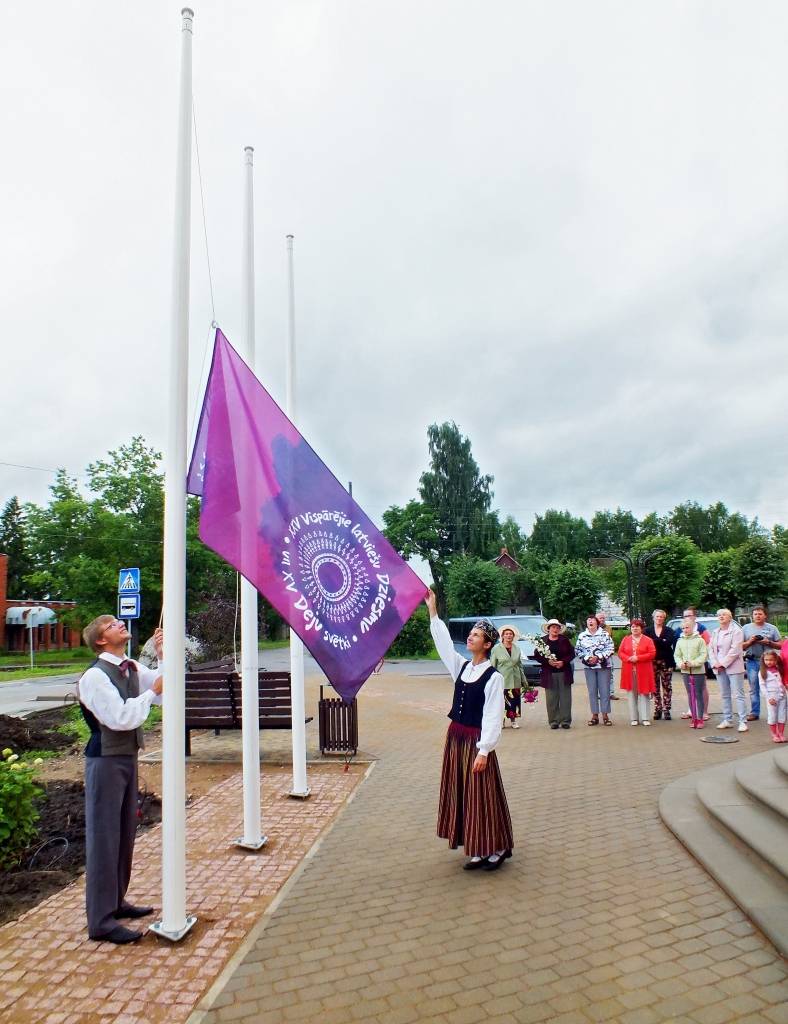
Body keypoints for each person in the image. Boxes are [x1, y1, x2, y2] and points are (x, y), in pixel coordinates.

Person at [77, 615, 163, 943]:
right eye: (111, 624)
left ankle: (116, 901)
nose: (119, 624)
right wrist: (149, 693)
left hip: (127, 757)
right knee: (104, 837)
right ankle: (100, 921)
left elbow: (164, 688)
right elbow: (120, 717)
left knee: (125, 832)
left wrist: (162, 653)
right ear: (100, 640)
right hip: (105, 761)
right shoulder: (95, 677)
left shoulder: (129, 667)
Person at [425, 590, 513, 871]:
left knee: (482, 795)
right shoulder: (462, 667)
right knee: (463, 793)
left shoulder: (493, 677)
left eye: (476, 635)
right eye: (471, 634)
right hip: (456, 737)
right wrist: (433, 612)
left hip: (475, 740)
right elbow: (443, 646)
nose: (471, 638)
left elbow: (492, 715)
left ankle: (496, 847)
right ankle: (476, 848)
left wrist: (484, 749)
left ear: (487, 644)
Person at [708, 609, 747, 733]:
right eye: (719, 615)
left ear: (730, 617)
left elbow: (735, 650)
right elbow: (711, 649)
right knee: (725, 694)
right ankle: (727, 719)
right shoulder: (715, 632)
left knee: (739, 695)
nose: (721, 617)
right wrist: (714, 663)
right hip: (718, 667)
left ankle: (742, 721)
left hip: (734, 667)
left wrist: (723, 663)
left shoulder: (736, 631)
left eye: (723, 615)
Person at [532, 618, 575, 729]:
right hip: (549, 673)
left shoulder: (564, 640)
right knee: (551, 698)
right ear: (548, 629)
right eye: (553, 627)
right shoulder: (542, 641)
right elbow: (537, 655)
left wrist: (563, 662)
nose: (555, 629)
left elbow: (571, 654)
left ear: (560, 629)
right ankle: (553, 721)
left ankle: (565, 720)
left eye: (557, 627)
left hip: (564, 672)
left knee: (565, 698)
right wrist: (548, 661)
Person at [742, 606, 781, 722]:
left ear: (765, 615)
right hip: (752, 661)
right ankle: (754, 712)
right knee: (754, 688)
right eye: (755, 614)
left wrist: (768, 642)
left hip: (769, 663)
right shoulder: (746, 628)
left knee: (773, 686)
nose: (757, 616)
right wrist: (750, 641)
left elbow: (780, 645)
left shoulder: (772, 628)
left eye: (760, 614)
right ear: (752, 616)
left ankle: (776, 710)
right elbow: (740, 646)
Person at [575, 615, 615, 726]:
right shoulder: (582, 636)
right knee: (592, 691)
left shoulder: (604, 634)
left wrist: (599, 657)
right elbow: (578, 651)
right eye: (588, 621)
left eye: (592, 620)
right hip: (589, 667)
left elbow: (611, 648)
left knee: (605, 691)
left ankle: (605, 715)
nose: (590, 622)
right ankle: (594, 715)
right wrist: (588, 658)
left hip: (603, 666)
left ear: (597, 623)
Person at [617, 619, 656, 726]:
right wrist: (628, 658)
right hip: (629, 671)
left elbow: (652, 653)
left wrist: (638, 658)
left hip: (644, 671)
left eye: (637, 627)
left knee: (644, 694)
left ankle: (645, 718)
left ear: (641, 628)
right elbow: (620, 653)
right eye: (633, 627)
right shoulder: (626, 639)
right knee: (631, 695)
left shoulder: (648, 640)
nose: (634, 628)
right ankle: (634, 718)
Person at [675, 617, 709, 729]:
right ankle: (693, 717)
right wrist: (681, 664)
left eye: (687, 627)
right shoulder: (680, 641)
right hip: (685, 671)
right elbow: (677, 655)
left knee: (698, 694)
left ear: (693, 627)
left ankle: (700, 718)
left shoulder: (700, 640)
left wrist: (693, 663)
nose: (685, 630)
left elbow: (704, 655)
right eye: (683, 628)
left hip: (698, 671)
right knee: (690, 694)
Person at [490, 625, 525, 729]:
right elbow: (493, 665)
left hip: (515, 679)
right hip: (503, 679)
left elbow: (519, 664)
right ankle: (502, 721)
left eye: (511, 634)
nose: (509, 636)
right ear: (502, 636)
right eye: (506, 634)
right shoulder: (496, 649)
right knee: (502, 701)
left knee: (514, 701)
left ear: (513, 636)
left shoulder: (517, 648)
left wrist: (524, 679)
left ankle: (513, 720)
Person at [644, 609, 676, 721]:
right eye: (657, 616)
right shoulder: (647, 630)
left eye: (661, 617)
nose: (659, 619)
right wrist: (661, 640)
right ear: (653, 617)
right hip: (652, 662)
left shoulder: (669, 630)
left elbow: (668, 643)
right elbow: (646, 644)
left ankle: (667, 709)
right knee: (655, 686)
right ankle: (658, 708)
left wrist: (656, 641)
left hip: (666, 661)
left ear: (664, 618)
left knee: (667, 685)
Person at [759, 651, 787, 743]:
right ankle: (774, 734)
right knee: (772, 715)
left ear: (776, 660)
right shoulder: (762, 672)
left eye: (771, 660)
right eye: (766, 660)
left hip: (782, 696)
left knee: (782, 715)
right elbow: (762, 686)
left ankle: (781, 733)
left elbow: (782, 681)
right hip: (772, 697)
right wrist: (768, 697)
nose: (768, 662)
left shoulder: (779, 670)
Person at [595, 610, 618, 700]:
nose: (602, 619)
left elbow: (611, 641)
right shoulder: (593, 628)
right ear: (596, 619)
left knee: (610, 674)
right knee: (598, 674)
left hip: (608, 655)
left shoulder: (609, 628)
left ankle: (610, 693)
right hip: (596, 655)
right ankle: (600, 694)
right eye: (600, 618)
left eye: (603, 618)